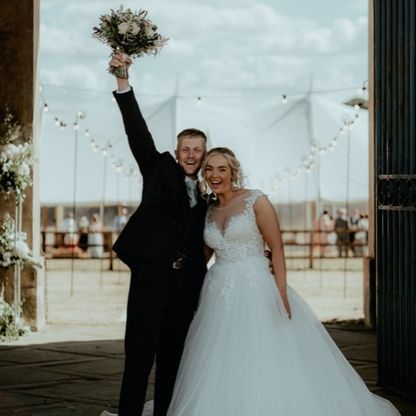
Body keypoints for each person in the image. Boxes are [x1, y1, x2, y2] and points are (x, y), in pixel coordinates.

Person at [167, 147, 400, 416]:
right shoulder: (208, 210)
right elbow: (202, 255)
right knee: (221, 355)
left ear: (233, 172)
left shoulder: (255, 200)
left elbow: (276, 248)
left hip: (256, 285)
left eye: (222, 169)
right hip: (218, 289)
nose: (215, 175)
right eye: (209, 169)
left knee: (264, 350)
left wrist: (281, 295)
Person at [101, 52, 209, 416]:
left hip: (187, 284)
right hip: (151, 279)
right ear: (177, 152)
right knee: (138, 359)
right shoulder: (158, 168)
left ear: (205, 155)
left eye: (198, 150)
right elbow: (137, 130)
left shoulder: (212, 188)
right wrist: (123, 81)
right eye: (186, 149)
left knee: (173, 363)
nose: (191, 155)